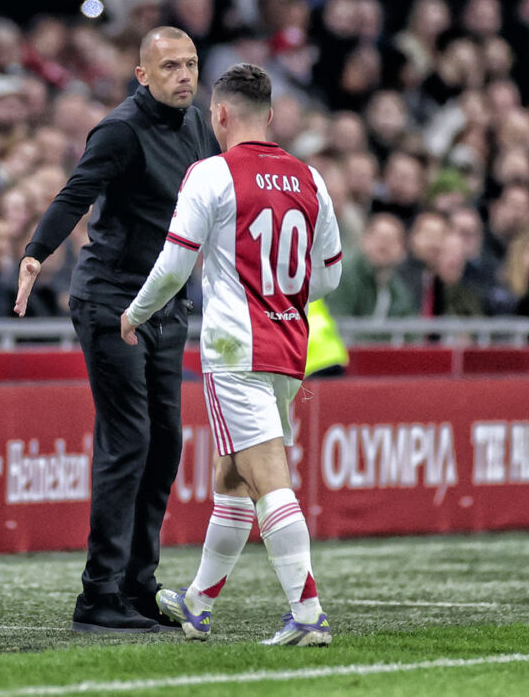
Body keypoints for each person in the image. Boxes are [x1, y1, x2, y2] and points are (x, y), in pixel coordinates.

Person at [121, 63, 342, 646]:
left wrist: (136, 313)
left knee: (266, 477)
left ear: (218, 114)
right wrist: (280, 296)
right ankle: (197, 603)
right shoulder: (309, 178)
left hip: (233, 348)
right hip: (290, 346)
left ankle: (308, 613)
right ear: (269, 116)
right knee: (231, 477)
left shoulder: (210, 174)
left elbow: (174, 264)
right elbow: (331, 276)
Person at [14, 26, 220, 634]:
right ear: (143, 75)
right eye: (171, 67)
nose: (184, 76)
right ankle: (97, 594)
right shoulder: (120, 128)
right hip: (111, 298)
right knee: (128, 439)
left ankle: (137, 585)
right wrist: (36, 252)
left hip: (167, 302)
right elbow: (78, 192)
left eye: (191, 65)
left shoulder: (200, 126)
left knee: (164, 445)